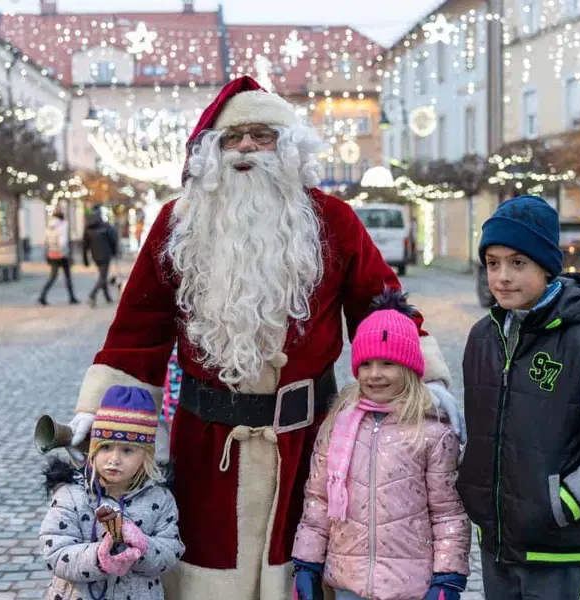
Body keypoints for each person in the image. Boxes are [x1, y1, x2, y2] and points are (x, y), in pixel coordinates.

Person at [65, 75, 461, 599]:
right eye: (233, 138)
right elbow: (137, 333)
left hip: (309, 444)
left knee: (301, 566)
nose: (247, 147)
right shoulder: (176, 224)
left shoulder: (333, 221)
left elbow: (383, 311)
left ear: (289, 146)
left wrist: (425, 384)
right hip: (207, 445)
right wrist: (100, 410)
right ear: (212, 151)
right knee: (203, 570)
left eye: (263, 135)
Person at [457, 195, 580, 599]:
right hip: (497, 545)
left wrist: (564, 503)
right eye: (493, 263)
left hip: (560, 550)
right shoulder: (482, 338)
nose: (502, 277)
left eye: (518, 263)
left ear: (546, 267)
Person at [291, 290, 470, 600]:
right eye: (366, 364)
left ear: (410, 367)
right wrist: (307, 563)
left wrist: (448, 577)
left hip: (410, 585)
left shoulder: (431, 432)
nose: (375, 375)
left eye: (388, 363)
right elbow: (318, 501)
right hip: (348, 582)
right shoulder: (338, 425)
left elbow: (447, 513)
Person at [40, 385, 184, 600]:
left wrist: (141, 548)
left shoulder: (160, 500)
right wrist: (98, 557)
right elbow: (55, 552)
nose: (114, 459)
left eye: (127, 450)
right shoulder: (71, 495)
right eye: (106, 447)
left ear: (146, 456)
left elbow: (171, 551)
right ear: (94, 449)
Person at [39, 208, 79, 306]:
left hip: (52, 254)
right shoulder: (63, 226)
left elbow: (45, 242)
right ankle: (72, 297)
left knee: (52, 277)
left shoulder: (48, 226)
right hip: (62, 255)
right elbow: (63, 242)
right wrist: (65, 253)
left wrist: (46, 254)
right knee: (68, 277)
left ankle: (42, 296)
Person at [82, 207, 120, 308]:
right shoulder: (105, 226)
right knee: (103, 277)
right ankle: (92, 295)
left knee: (103, 276)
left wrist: (85, 259)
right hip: (105, 255)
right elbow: (112, 240)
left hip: (95, 256)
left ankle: (107, 297)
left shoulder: (88, 227)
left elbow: (84, 245)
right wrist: (115, 252)